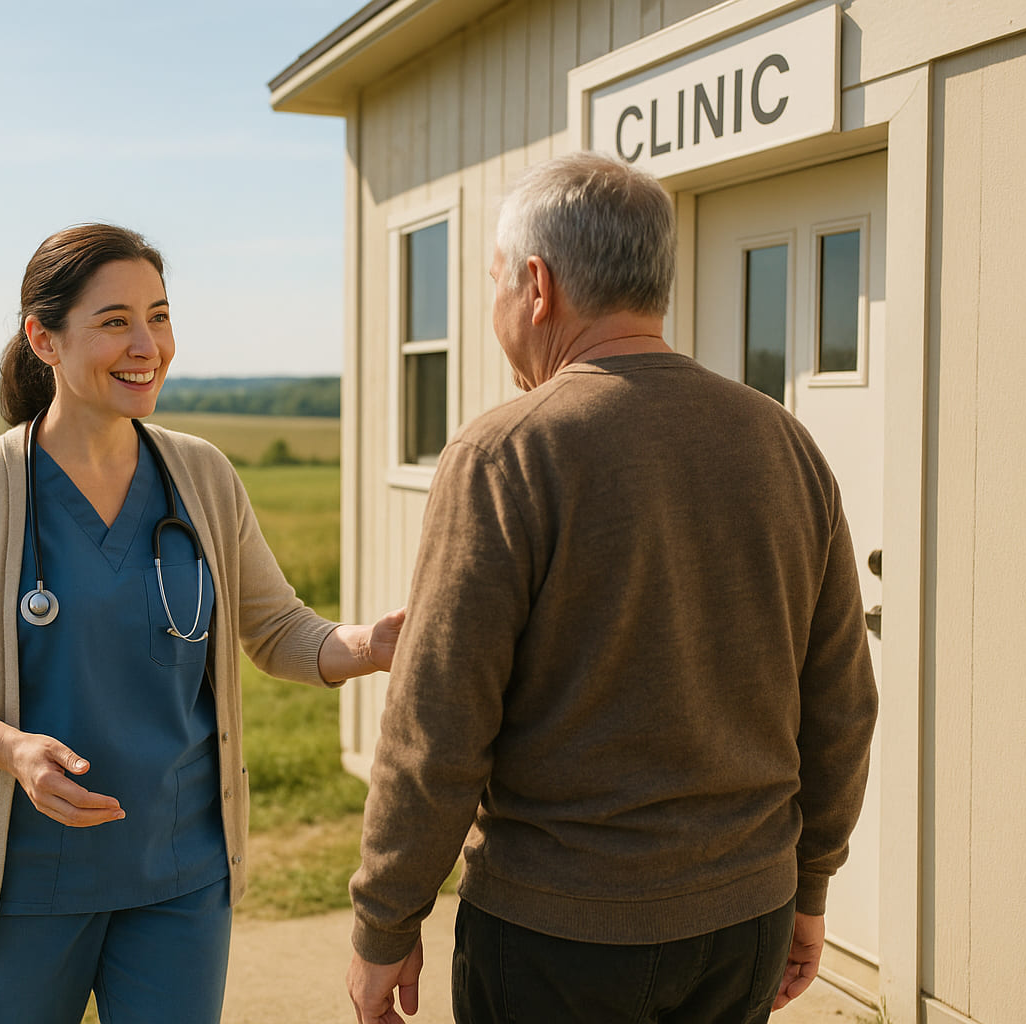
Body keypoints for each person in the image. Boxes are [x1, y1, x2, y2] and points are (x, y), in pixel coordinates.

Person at [345, 153, 878, 1024]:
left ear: (537, 285)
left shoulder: (506, 452)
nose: (496, 314)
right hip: (744, 918)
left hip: (559, 937)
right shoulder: (785, 444)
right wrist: (810, 880)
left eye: (495, 287)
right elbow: (843, 701)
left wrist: (384, 920)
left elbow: (437, 723)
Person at [0, 222, 403, 1024]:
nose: (147, 345)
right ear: (43, 339)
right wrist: (14, 750)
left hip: (179, 871)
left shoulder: (200, 475)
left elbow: (276, 629)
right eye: (116, 320)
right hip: (20, 882)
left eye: (159, 316)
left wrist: (371, 645)